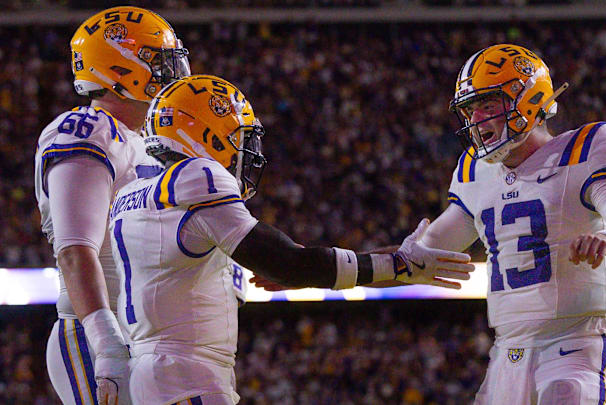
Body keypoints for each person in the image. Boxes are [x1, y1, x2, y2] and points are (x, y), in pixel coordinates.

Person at [107, 74, 474, 404]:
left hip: (156, 371)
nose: (244, 149)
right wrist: (395, 266)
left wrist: (393, 262)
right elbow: (292, 264)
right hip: (186, 376)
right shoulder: (196, 176)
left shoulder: (137, 191)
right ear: (204, 131)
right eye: (238, 136)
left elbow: (294, 262)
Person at [428, 43, 606, 404]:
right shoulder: (474, 170)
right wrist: (351, 266)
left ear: (529, 98)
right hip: (509, 350)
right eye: (471, 111)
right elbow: (424, 251)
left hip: (575, 341)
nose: (476, 121)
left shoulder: (585, 148)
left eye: (488, 105)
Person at [33, 6, 191, 404]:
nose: (172, 73)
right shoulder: (87, 132)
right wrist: (107, 345)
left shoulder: (146, 142)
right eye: (158, 61)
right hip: (102, 338)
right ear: (120, 69)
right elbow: (74, 250)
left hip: (151, 339)